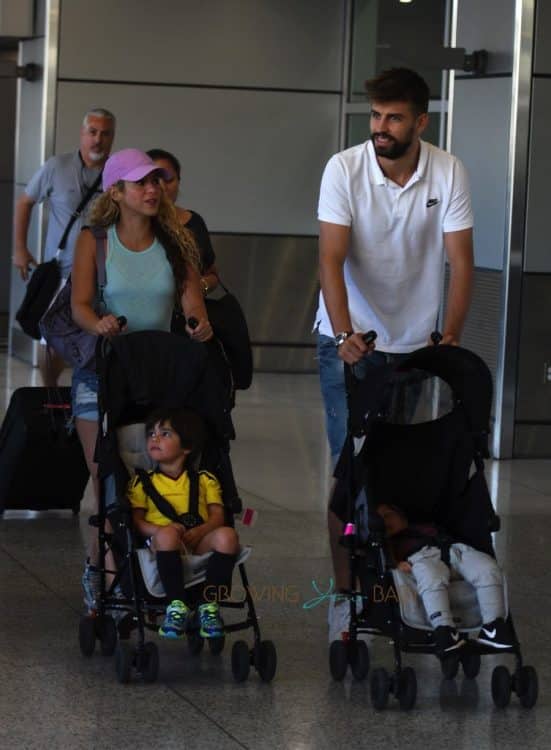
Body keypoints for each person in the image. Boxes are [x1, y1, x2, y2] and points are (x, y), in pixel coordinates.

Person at [315, 68, 475, 642]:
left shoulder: (447, 169)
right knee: (348, 472)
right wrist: (343, 334)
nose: (381, 128)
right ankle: (346, 599)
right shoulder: (345, 168)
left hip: (418, 348)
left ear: (421, 121)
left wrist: (449, 334)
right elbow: (331, 258)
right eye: (376, 116)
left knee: (409, 473)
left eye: (394, 118)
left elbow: (460, 260)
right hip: (350, 344)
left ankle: (405, 583)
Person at [71, 148, 212, 610]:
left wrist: (199, 325)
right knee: (106, 478)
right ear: (116, 192)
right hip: (104, 373)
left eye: (157, 181)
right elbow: (81, 305)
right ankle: (104, 573)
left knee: (160, 473)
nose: (152, 190)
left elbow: (193, 304)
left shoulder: (175, 243)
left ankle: (161, 571)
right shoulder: (96, 241)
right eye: (141, 183)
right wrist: (99, 325)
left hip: (161, 379)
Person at [13, 107, 116, 386]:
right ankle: (50, 395)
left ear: (113, 138)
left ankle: (90, 399)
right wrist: (19, 248)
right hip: (61, 274)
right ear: (82, 134)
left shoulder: (118, 175)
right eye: (92, 132)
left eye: (105, 134)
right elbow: (25, 201)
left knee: (99, 336)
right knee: (54, 340)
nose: (98, 140)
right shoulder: (56, 167)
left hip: (104, 275)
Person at [128, 408, 239, 639]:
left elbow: (218, 516)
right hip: (161, 542)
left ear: (187, 447)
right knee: (168, 535)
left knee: (227, 535)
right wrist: (166, 530)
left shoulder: (205, 479)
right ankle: (176, 605)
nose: (154, 438)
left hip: (198, 539)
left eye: (165, 434)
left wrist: (201, 530)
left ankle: (209, 605)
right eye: (151, 434)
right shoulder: (142, 482)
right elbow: (137, 522)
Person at [376, 503, 514, 655]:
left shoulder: (425, 525)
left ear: (402, 516)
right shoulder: (391, 542)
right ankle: (444, 629)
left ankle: (493, 626)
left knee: (488, 568)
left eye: (388, 516)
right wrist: (396, 564)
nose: (385, 522)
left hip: (456, 550)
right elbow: (386, 559)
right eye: (380, 519)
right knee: (430, 576)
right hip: (422, 558)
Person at [146, 148, 219, 295]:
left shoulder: (193, 221)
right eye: (155, 181)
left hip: (189, 312)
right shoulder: (135, 224)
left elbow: (212, 273)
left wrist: (200, 287)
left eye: (169, 180)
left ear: (178, 180)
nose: (162, 187)